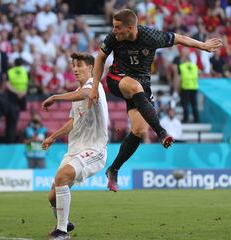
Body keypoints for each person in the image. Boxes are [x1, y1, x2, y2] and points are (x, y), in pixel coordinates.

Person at [88, 9, 223, 192]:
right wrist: (95, 86)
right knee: (135, 87)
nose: (114, 31)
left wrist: (203, 45)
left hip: (142, 85)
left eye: (118, 28)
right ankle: (161, 132)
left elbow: (179, 38)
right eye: (114, 27)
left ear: (130, 28)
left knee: (139, 130)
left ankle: (113, 169)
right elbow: (100, 58)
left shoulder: (150, 36)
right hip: (116, 78)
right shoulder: (113, 37)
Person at [41, 52, 108, 239]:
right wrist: (52, 137)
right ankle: (66, 222)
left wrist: (55, 97)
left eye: (80, 65)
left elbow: (86, 93)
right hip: (75, 150)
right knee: (52, 196)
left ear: (91, 68)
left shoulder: (94, 86)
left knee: (62, 176)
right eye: (74, 65)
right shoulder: (78, 92)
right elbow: (73, 122)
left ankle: (61, 231)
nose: (75, 69)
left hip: (95, 150)